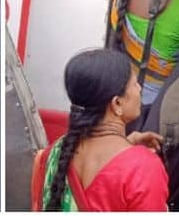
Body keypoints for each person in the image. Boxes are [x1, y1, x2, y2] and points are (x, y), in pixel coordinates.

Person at [31, 49, 169, 211]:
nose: (139, 89)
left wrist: (127, 145)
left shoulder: (54, 153)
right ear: (117, 103)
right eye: (134, 84)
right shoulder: (143, 169)